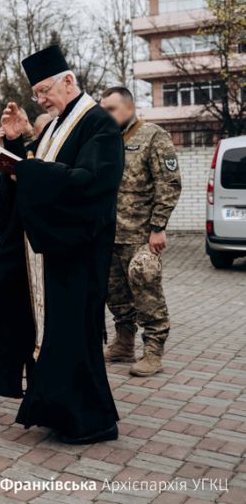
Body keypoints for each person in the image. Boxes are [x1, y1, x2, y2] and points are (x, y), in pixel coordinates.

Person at [0, 45, 124, 444]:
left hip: (77, 253)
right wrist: (16, 147)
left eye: (44, 91)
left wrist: (26, 169)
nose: (41, 99)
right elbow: (37, 169)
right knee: (46, 334)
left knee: (73, 336)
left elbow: (89, 182)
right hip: (46, 253)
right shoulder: (52, 125)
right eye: (35, 94)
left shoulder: (98, 124)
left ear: (69, 81)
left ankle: (91, 420)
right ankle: (55, 408)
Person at [100, 86, 181, 376]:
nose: (106, 114)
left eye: (111, 108)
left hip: (142, 236)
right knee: (116, 294)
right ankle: (123, 344)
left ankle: (153, 351)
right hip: (111, 234)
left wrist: (158, 227)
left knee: (147, 290)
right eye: (103, 109)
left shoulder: (153, 135)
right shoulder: (107, 139)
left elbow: (169, 183)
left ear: (129, 107)